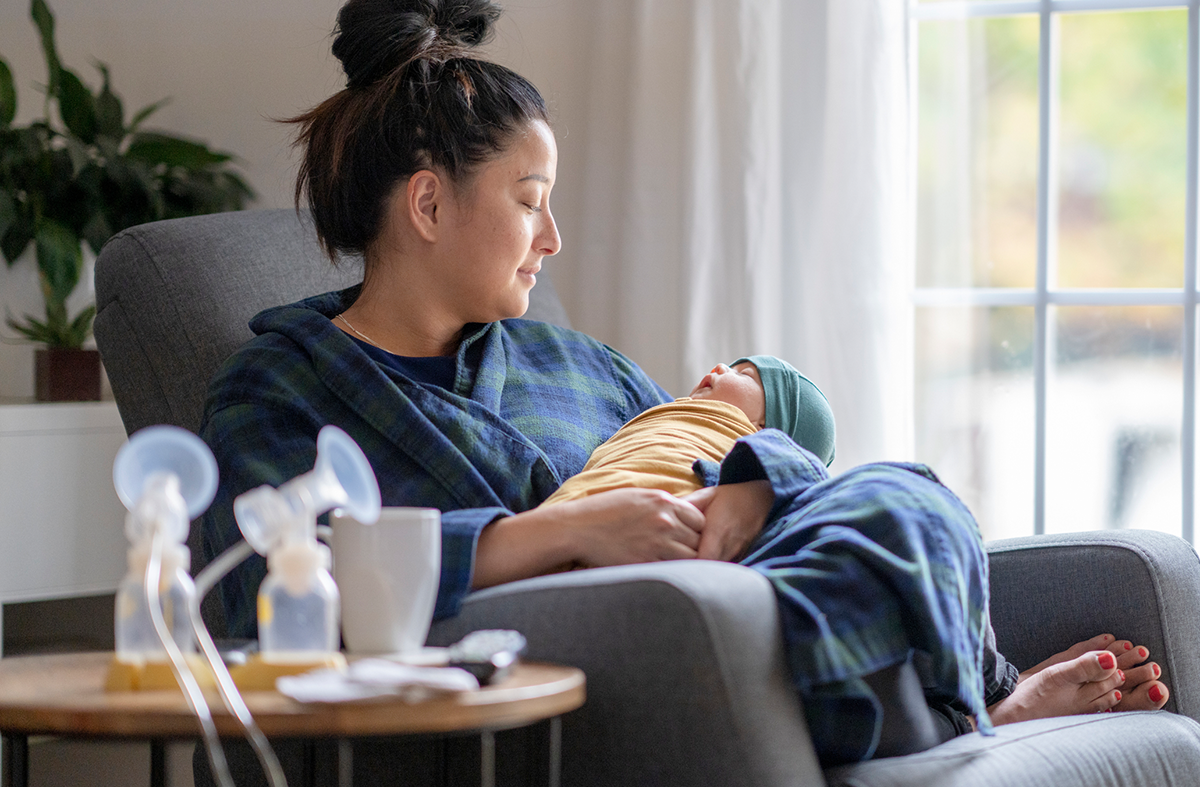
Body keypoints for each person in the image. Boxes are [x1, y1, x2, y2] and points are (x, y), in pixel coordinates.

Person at [198, 0, 1170, 769]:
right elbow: (255, 589)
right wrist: (565, 529)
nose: (553, 239)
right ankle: (974, 715)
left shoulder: (577, 363)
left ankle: (967, 708)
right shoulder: (282, 389)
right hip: (584, 648)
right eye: (531, 201)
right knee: (760, 602)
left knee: (899, 491)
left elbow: (684, 439)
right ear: (426, 201)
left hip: (727, 588)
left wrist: (753, 476)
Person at [540, 356, 836, 509]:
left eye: (744, 375)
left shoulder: (745, 442)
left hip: (670, 500)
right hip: (585, 499)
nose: (721, 367)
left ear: (764, 428)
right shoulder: (673, 413)